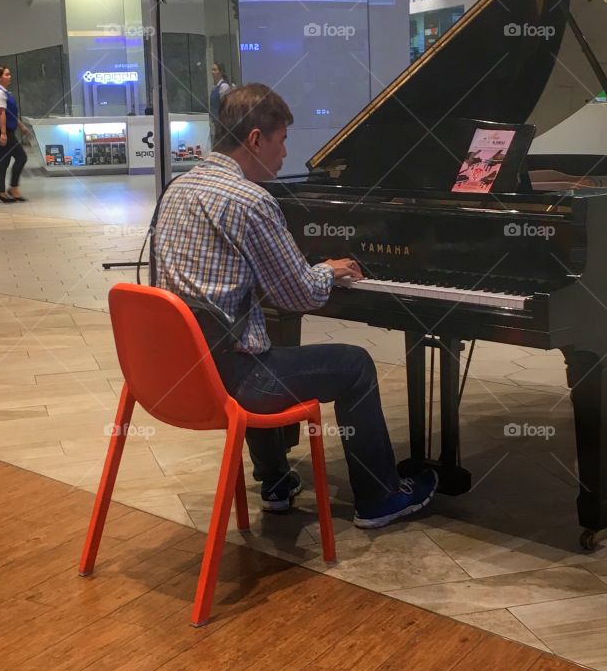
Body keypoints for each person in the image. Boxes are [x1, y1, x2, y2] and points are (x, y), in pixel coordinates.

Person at [152, 83, 437, 528]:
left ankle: (275, 480)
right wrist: (328, 268)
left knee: (253, 336)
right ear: (255, 140)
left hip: (181, 374)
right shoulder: (251, 200)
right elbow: (297, 295)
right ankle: (379, 498)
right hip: (233, 380)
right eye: (282, 140)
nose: (286, 153)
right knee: (355, 364)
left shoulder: (178, 188)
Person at [0, 65, 29, 202]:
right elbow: (1, 114)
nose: (9, 76)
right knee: (21, 157)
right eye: (6, 74)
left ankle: (2, 191)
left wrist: (20, 125)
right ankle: (11, 188)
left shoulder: (4, 92)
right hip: (2, 130)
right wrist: (4, 133)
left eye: (10, 74)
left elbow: (10, 113)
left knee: (4, 161)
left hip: (5, 130)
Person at [208, 62, 232, 145]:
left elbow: (224, 107)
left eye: (215, 70)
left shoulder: (224, 86)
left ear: (220, 72)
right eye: (212, 69)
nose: (212, 72)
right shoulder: (215, 87)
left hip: (221, 125)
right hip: (216, 124)